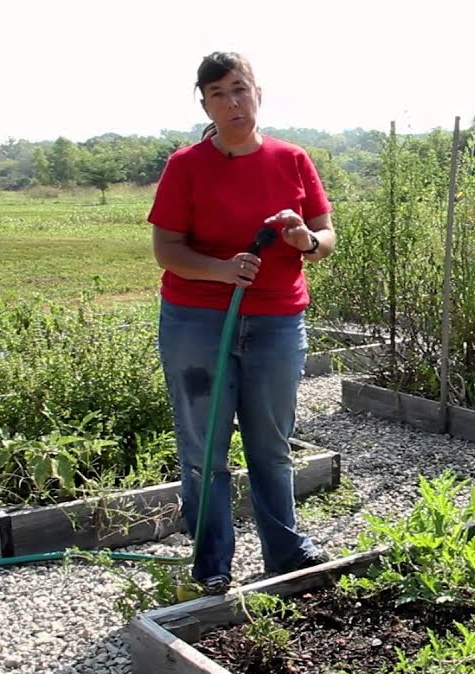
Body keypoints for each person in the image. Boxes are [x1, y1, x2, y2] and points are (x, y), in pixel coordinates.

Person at [148, 51, 336, 595]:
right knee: (204, 448)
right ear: (204, 103)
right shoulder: (185, 166)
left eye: (239, 89)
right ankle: (212, 563)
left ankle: (285, 549)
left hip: (278, 320)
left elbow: (326, 237)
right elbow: (167, 249)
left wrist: (306, 240)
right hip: (198, 321)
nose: (233, 103)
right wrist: (222, 270)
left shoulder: (292, 159)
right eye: (218, 94)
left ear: (258, 92)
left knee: (271, 443)